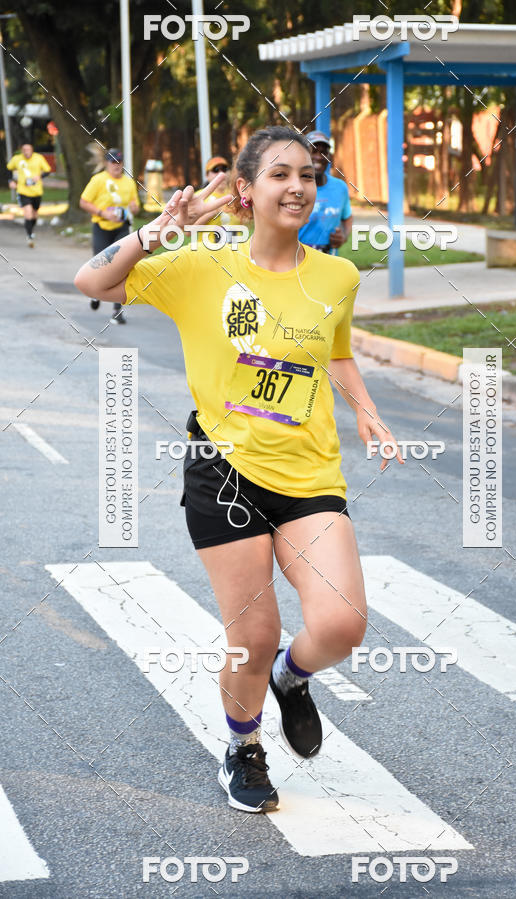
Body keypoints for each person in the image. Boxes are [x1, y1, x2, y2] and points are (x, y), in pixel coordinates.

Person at [73, 125, 403, 815]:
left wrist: (366, 408)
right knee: (250, 635)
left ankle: (293, 675)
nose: (298, 186)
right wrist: (160, 229)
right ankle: (243, 745)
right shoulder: (198, 267)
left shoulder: (336, 275)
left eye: (308, 175)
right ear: (246, 191)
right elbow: (92, 280)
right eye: (281, 174)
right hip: (222, 470)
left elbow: (335, 350)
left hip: (310, 472)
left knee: (342, 624)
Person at [79, 148, 140, 324]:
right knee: (99, 264)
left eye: (119, 162)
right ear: (106, 163)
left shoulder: (128, 182)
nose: (116, 165)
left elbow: (135, 204)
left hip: (122, 227)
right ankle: (94, 293)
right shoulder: (98, 180)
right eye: (113, 162)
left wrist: (135, 208)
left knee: (120, 267)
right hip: (101, 226)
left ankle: (117, 311)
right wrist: (102, 213)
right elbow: (83, 202)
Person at [298, 131, 353, 254]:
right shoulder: (294, 187)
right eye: (313, 151)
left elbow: (347, 217)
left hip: (330, 262)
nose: (319, 156)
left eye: (323, 152)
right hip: (298, 262)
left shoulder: (340, 187)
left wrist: (343, 236)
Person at [7, 143, 52, 248]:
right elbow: (8, 169)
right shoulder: (17, 159)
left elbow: (48, 170)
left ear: (32, 150)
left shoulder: (38, 158)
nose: (26, 151)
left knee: (34, 214)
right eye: (24, 149)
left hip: (36, 191)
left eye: (28, 149)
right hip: (23, 190)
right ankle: (29, 236)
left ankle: (31, 230)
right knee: (28, 213)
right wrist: (11, 181)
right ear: (22, 151)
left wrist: (39, 176)